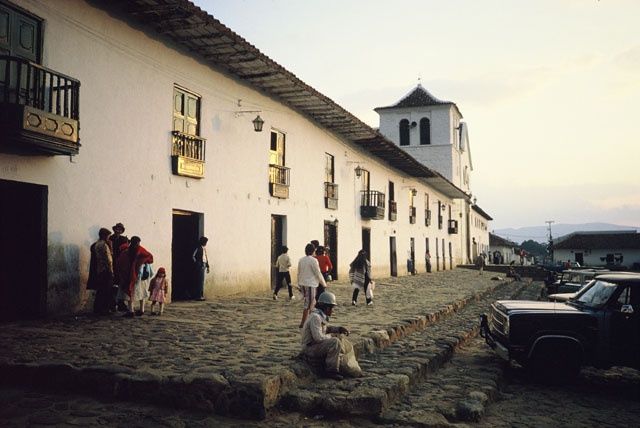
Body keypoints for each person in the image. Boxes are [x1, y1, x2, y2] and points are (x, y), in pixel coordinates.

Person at [300, 291, 350, 380]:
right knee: (334, 342)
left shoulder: (320, 316)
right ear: (326, 307)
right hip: (309, 348)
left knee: (338, 339)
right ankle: (331, 371)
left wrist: (338, 329)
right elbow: (318, 338)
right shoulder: (315, 317)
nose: (332, 310)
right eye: (331, 308)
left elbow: (326, 329)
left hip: (315, 346)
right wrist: (332, 336)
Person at [118, 236, 153, 317]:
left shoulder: (126, 252)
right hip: (140, 276)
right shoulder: (141, 250)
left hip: (131, 276)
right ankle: (141, 309)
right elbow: (150, 258)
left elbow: (120, 263)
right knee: (141, 292)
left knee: (131, 292)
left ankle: (131, 310)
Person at [298, 243, 327, 328]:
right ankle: (305, 323)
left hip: (303, 283)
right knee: (310, 304)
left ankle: (307, 322)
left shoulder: (301, 260)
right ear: (313, 251)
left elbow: (299, 272)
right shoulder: (313, 260)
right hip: (310, 284)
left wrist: (299, 283)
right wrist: (323, 283)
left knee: (309, 303)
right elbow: (317, 273)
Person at [87, 228, 114, 315]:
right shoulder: (104, 245)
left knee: (100, 290)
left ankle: (98, 308)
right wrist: (111, 271)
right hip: (106, 270)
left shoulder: (96, 244)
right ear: (105, 236)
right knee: (106, 290)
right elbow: (108, 259)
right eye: (108, 236)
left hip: (99, 270)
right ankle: (104, 309)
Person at [109, 222, 129, 312]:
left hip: (121, 264)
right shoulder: (110, 238)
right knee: (112, 284)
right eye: (117, 229)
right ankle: (112, 303)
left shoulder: (124, 239)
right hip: (112, 263)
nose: (118, 231)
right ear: (114, 229)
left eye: (120, 229)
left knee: (121, 284)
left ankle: (121, 303)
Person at [192, 236, 209, 301]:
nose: (205, 243)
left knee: (201, 281)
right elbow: (193, 256)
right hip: (200, 265)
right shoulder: (198, 248)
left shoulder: (204, 249)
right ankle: (198, 295)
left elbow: (205, 258)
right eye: (205, 242)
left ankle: (201, 295)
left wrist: (207, 265)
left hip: (203, 265)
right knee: (199, 280)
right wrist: (197, 263)